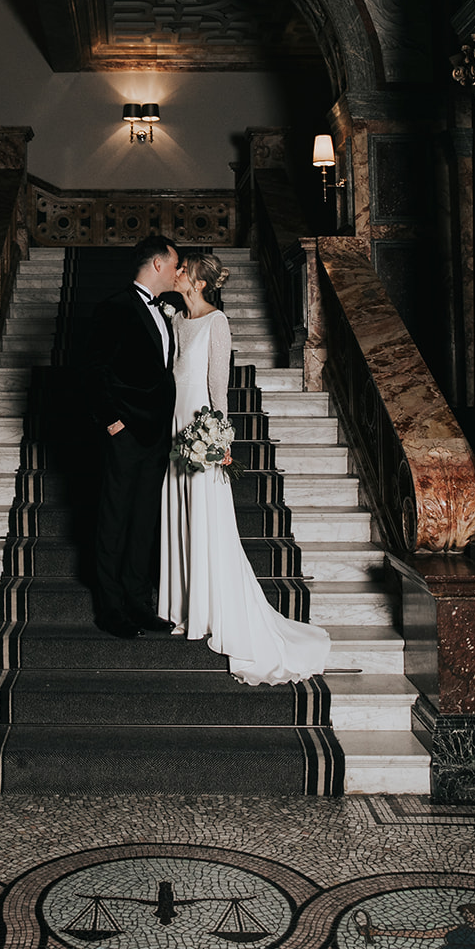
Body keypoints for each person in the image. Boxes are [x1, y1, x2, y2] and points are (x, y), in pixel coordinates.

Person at [158, 253, 331, 686]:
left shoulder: (217, 322)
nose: (176, 274)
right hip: (174, 423)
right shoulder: (178, 319)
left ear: (198, 283)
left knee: (205, 515)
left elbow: (219, 384)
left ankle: (212, 611)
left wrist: (220, 438)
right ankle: (185, 607)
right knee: (179, 510)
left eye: (183, 272)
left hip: (200, 424)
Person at [87, 234, 179, 638]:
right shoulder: (115, 308)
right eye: (175, 264)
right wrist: (112, 422)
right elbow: (92, 370)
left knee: (144, 521)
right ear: (157, 264)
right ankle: (110, 608)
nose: (179, 272)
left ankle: (138, 602)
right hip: (124, 432)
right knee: (114, 519)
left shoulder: (168, 310)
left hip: (157, 434)